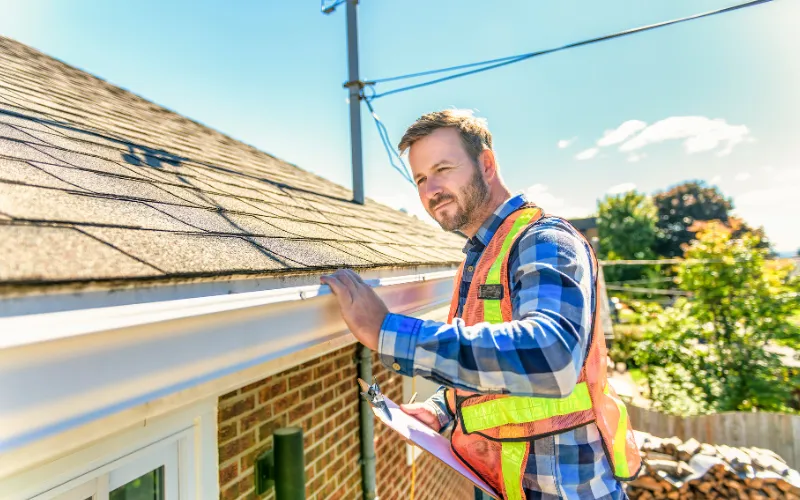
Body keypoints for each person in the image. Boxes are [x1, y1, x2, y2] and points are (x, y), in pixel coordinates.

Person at [321, 109, 641, 500]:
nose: (430, 189)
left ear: (486, 164)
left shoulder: (542, 241)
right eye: (421, 178)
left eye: (443, 169)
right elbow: (498, 371)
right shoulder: (481, 257)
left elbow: (552, 357)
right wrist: (443, 407)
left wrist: (386, 331)